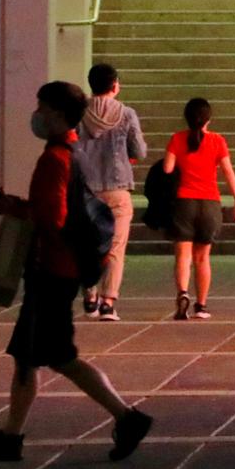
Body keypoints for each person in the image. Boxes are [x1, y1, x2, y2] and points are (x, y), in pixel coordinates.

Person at [0, 81, 152, 462]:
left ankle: (126, 417)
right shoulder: (73, 151)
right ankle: (11, 436)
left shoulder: (55, 158)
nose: (36, 114)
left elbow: (53, 218)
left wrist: (15, 210)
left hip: (52, 271)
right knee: (29, 355)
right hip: (59, 270)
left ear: (55, 112)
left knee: (58, 356)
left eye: (41, 107)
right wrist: (17, 206)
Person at [74, 63, 146, 321]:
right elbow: (139, 151)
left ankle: (90, 295)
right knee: (115, 247)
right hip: (117, 189)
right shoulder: (127, 114)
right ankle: (108, 302)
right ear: (114, 85)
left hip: (86, 190)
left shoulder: (79, 113)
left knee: (86, 245)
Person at [163, 98, 235, 320]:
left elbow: (167, 168)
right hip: (210, 203)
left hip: (184, 203)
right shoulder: (217, 141)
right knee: (202, 258)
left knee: (183, 256)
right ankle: (201, 306)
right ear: (208, 119)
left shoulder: (177, 139)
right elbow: (228, 171)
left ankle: (182, 293)